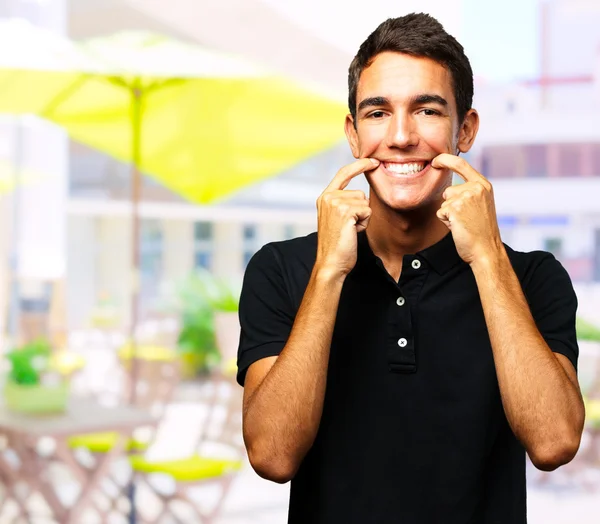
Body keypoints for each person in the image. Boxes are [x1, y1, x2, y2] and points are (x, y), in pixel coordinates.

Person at [236, 12, 585, 524]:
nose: (400, 137)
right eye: (378, 113)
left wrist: (486, 257)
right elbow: (272, 456)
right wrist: (329, 272)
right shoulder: (282, 269)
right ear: (354, 136)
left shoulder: (533, 277)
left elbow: (554, 442)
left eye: (426, 110)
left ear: (464, 129)